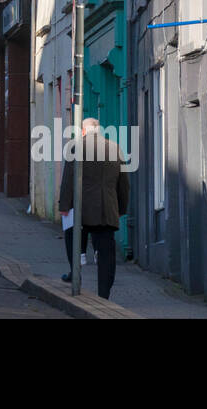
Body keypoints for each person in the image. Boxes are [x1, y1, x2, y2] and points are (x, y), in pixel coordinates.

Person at [58, 117, 129, 300]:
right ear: (99, 131)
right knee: (107, 252)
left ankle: (76, 271)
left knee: (71, 234)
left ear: (83, 131)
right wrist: (121, 207)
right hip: (107, 209)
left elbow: (68, 179)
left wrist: (64, 205)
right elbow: (124, 183)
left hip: (81, 208)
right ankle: (104, 294)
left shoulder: (76, 147)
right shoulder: (115, 148)